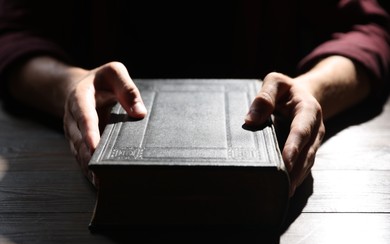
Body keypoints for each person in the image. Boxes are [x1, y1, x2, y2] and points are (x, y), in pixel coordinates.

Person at [0, 0, 389, 196]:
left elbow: (368, 27)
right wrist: (68, 85)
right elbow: (12, 29)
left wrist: (313, 88)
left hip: (260, 167)